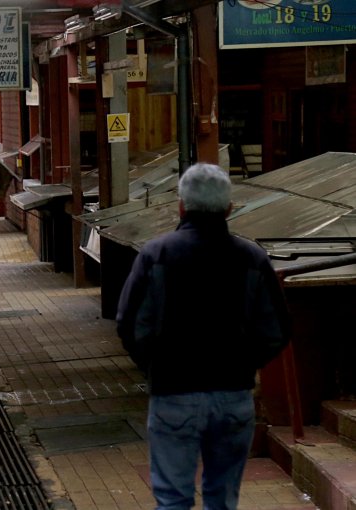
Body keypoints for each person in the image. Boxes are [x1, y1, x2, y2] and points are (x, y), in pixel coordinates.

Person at [116, 163, 291, 510]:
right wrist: (245, 364)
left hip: (173, 393)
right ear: (229, 208)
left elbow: (130, 323)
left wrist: (154, 365)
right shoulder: (252, 258)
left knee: (172, 498)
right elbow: (276, 330)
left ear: (181, 205)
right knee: (222, 499)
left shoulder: (157, 254)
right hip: (233, 395)